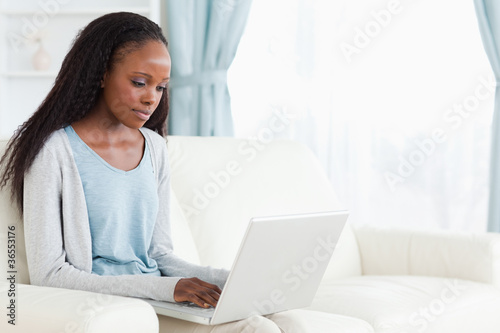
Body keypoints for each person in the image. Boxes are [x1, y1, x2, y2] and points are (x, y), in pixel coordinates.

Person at [0, 11, 321, 333]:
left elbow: (159, 255)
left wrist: (233, 278)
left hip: (158, 298)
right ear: (101, 73)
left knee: (289, 320)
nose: (151, 98)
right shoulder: (53, 152)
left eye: (161, 87)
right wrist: (169, 289)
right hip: (109, 306)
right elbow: (50, 274)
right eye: (139, 82)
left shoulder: (154, 147)